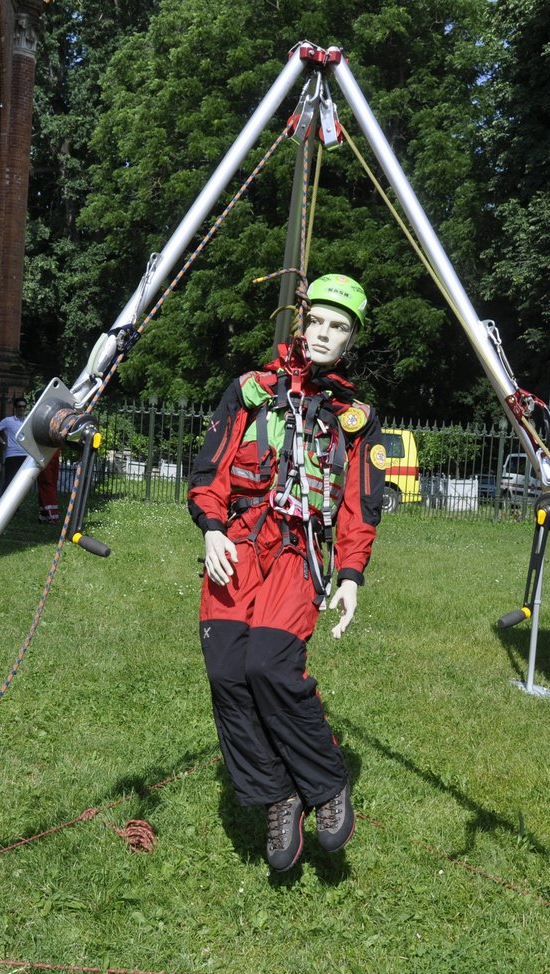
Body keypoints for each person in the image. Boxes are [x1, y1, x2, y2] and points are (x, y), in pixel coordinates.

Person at [187, 273, 387, 872]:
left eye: (339, 327)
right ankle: (277, 794)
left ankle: (326, 784)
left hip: (299, 553)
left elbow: (360, 503)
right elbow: (210, 468)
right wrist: (214, 528)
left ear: (350, 341)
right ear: (299, 325)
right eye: (317, 322)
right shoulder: (250, 391)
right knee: (227, 673)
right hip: (239, 547)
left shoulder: (356, 418)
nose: (325, 335)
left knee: (268, 665)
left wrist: (350, 574)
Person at [0, 397, 31, 487]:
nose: (22, 408)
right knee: (9, 481)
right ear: (15, 407)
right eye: (19, 406)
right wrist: (3, 442)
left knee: (22, 483)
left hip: (25, 455)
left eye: (24, 406)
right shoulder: (8, 420)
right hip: (12, 455)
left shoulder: (28, 421)